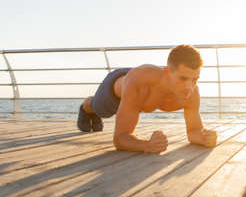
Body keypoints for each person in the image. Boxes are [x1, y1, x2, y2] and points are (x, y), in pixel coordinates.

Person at [77, 45, 217, 153]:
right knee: (99, 109)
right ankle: (85, 107)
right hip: (116, 88)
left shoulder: (192, 93)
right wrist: (147, 145)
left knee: (117, 108)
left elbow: (193, 131)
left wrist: (204, 138)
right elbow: (120, 138)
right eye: (183, 78)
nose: (189, 87)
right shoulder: (140, 85)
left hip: (135, 83)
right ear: (167, 71)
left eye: (195, 79)